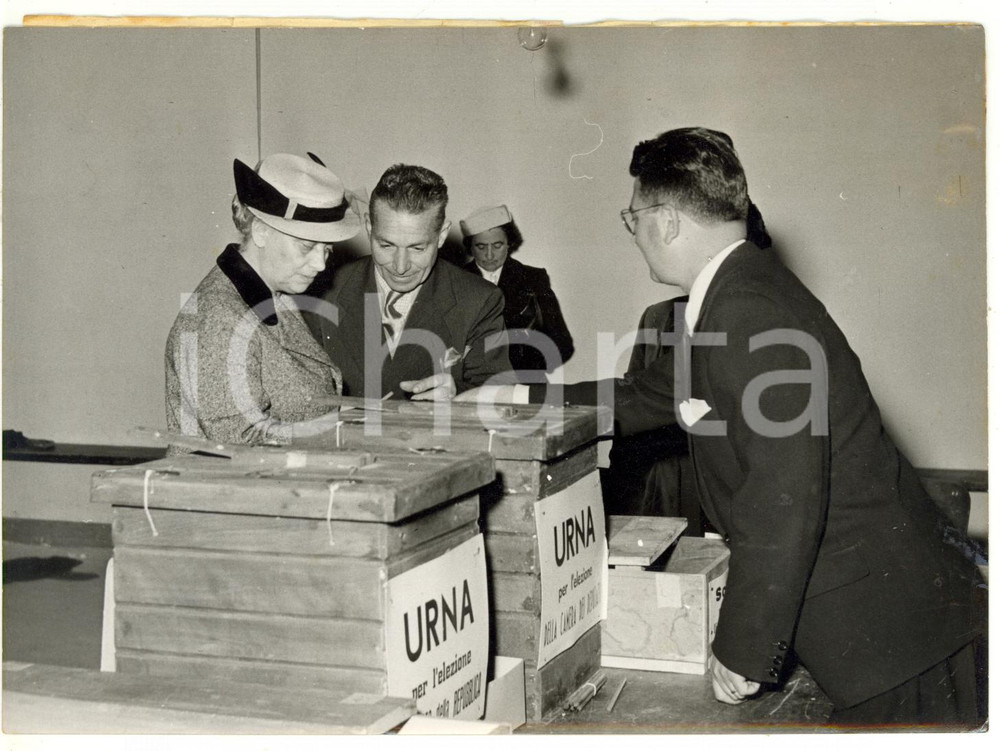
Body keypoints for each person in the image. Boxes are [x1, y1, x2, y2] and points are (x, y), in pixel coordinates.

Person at [460, 127, 986, 727]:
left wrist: (743, 647)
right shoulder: (738, 292)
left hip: (888, 638)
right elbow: (648, 394)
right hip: (880, 623)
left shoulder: (746, 310)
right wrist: (518, 391)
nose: (634, 236)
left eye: (631, 220)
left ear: (667, 221)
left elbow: (782, 495)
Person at [165, 152, 359, 445]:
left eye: (327, 249)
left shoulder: (274, 295)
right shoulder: (216, 318)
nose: (321, 264)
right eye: (307, 247)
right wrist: (344, 429)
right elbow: (242, 441)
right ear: (261, 232)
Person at [306, 164, 513, 400]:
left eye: (417, 248)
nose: (400, 266)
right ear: (369, 228)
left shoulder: (479, 300)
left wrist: (458, 394)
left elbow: (498, 394)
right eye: (386, 245)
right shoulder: (322, 290)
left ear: (442, 235)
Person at [460, 204, 574, 381]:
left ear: (509, 244)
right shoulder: (455, 280)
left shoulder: (533, 279)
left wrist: (525, 370)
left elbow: (562, 344)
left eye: (497, 245)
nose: (489, 255)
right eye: (481, 247)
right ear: (470, 247)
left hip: (524, 384)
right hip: (470, 384)